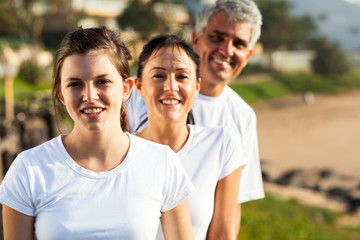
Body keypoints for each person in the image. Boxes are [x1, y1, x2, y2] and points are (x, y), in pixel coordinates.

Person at [0, 26, 194, 240]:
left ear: (126, 88)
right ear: (61, 95)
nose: (90, 95)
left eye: (102, 81)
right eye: (75, 84)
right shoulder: (28, 169)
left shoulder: (162, 163)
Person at [126, 0, 265, 234]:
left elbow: (231, 210)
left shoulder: (242, 117)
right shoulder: (137, 94)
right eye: (217, 37)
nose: (226, 50)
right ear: (197, 39)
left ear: (248, 54)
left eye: (238, 44)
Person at [134, 34, 246, 239]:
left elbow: (222, 234)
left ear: (196, 87)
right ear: (139, 86)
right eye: (158, 75)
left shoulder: (222, 144)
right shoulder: (120, 152)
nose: (170, 87)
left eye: (182, 76)